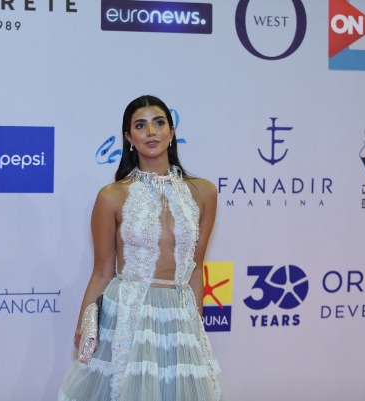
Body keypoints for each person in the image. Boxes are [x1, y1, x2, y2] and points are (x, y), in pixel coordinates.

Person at [58, 95, 225, 401]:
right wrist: (85, 324)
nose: (151, 132)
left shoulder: (204, 192)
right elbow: (102, 272)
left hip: (179, 315)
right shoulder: (112, 196)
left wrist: (195, 324)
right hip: (126, 314)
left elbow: (196, 267)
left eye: (159, 123)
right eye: (140, 125)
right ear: (129, 138)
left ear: (171, 132)